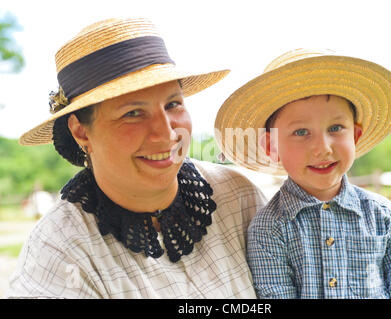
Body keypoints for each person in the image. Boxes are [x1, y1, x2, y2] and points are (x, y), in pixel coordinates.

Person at [6, 17, 267, 299]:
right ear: (81, 132)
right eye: (132, 113)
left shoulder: (239, 198)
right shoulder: (60, 253)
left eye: (173, 104)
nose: (166, 133)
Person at [214, 48, 391, 298]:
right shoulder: (269, 228)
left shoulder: (384, 217)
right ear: (272, 146)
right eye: (301, 132)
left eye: (335, 128)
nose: (323, 148)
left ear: (355, 135)